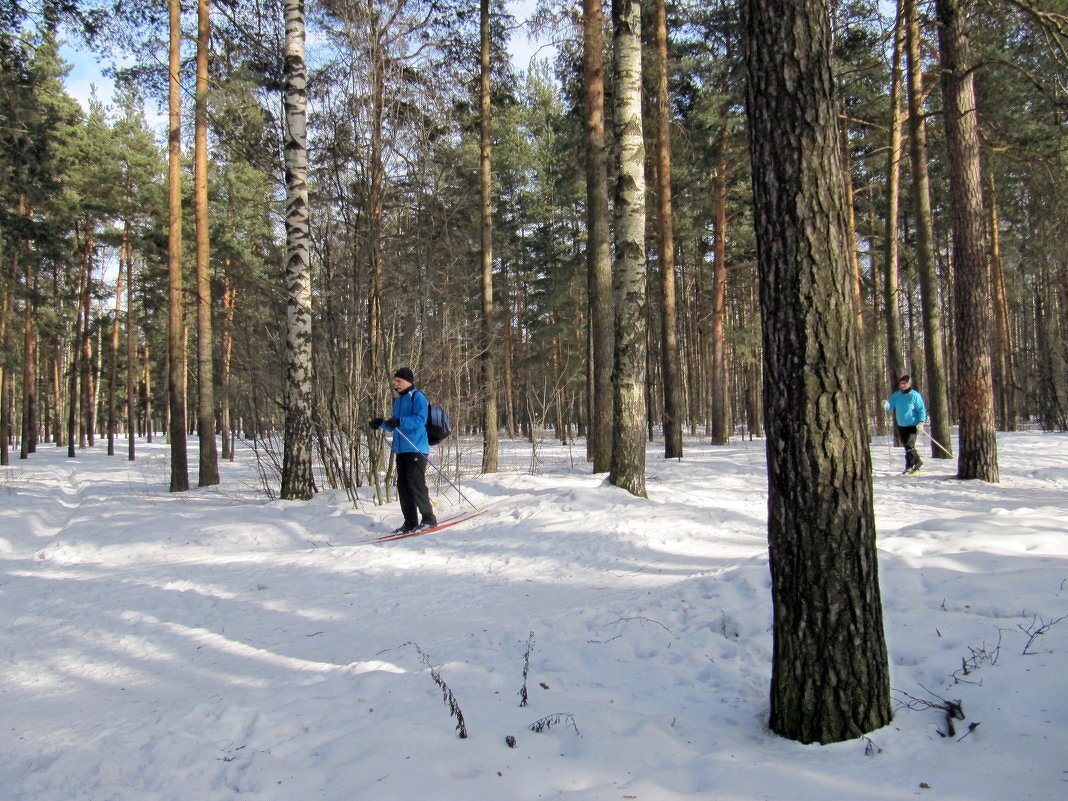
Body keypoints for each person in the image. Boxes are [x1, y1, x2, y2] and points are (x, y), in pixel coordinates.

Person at [369, 368, 438, 533]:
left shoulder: (417, 396)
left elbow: (420, 420)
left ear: (408, 381)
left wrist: (399, 421)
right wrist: (381, 424)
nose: (396, 384)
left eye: (398, 381)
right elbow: (395, 426)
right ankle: (410, 522)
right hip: (401, 450)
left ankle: (429, 519)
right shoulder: (398, 401)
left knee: (416, 484)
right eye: (395, 381)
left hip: (416, 448)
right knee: (403, 486)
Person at [884, 374, 928, 474]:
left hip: (913, 425)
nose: (902, 385)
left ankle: (910, 465)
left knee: (909, 445)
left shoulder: (915, 395)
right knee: (907, 446)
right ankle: (918, 462)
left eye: (905, 383)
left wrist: (921, 422)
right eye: (901, 383)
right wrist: (886, 405)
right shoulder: (897, 395)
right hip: (901, 425)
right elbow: (890, 406)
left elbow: (921, 409)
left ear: (909, 383)